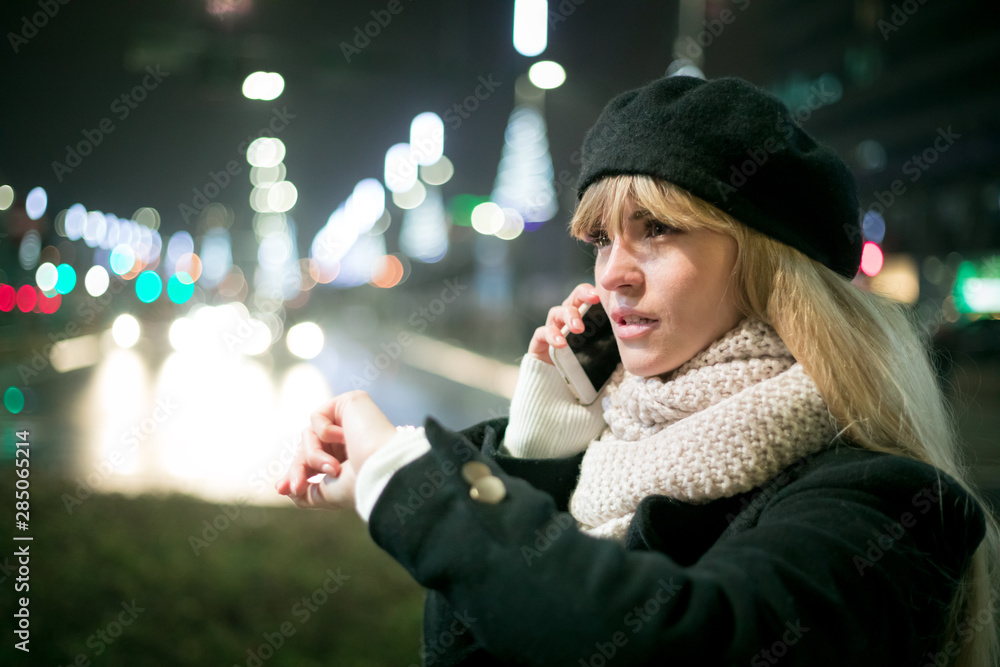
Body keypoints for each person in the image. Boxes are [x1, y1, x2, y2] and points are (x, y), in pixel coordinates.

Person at [275, 74, 999, 666]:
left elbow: (675, 640)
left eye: (657, 229)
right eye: (601, 238)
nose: (614, 273)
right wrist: (540, 454)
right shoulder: (603, 459)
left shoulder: (890, 505)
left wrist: (411, 481)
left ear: (769, 263)